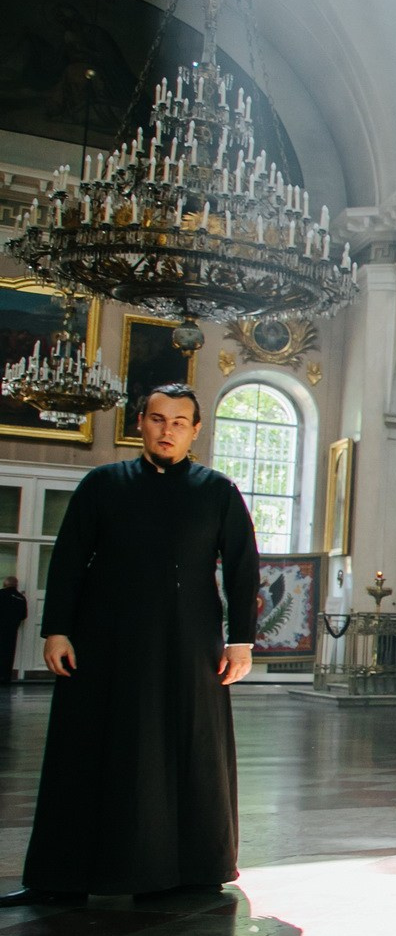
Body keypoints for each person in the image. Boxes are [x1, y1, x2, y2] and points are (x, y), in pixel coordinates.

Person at [0, 384, 258, 907]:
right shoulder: (102, 483)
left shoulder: (218, 491)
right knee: (88, 748)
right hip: (106, 640)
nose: (168, 430)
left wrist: (242, 642)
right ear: (140, 422)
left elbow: (242, 568)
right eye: (159, 419)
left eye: (180, 422)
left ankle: (194, 871)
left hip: (190, 643)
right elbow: (70, 558)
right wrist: (57, 628)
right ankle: (60, 876)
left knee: (189, 748)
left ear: (195, 429)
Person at [0, 575, 26, 682]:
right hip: (11, 630)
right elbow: (23, 615)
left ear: (4, 584)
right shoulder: (20, 597)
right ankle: (6, 676)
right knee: (9, 652)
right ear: (16, 585)